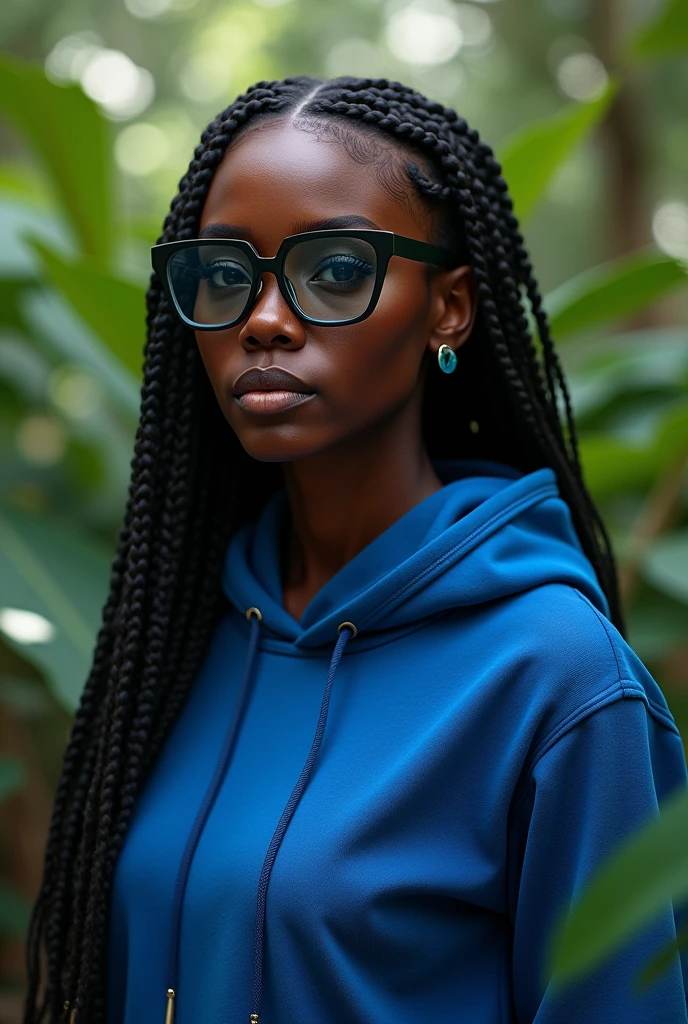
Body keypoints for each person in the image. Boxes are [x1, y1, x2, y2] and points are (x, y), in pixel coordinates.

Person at [23, 75, 688, 1024]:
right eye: (221, 274)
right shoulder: (174, 649)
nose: (262, 319)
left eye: (334, 270)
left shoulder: (562, 681)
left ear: (449, 309)